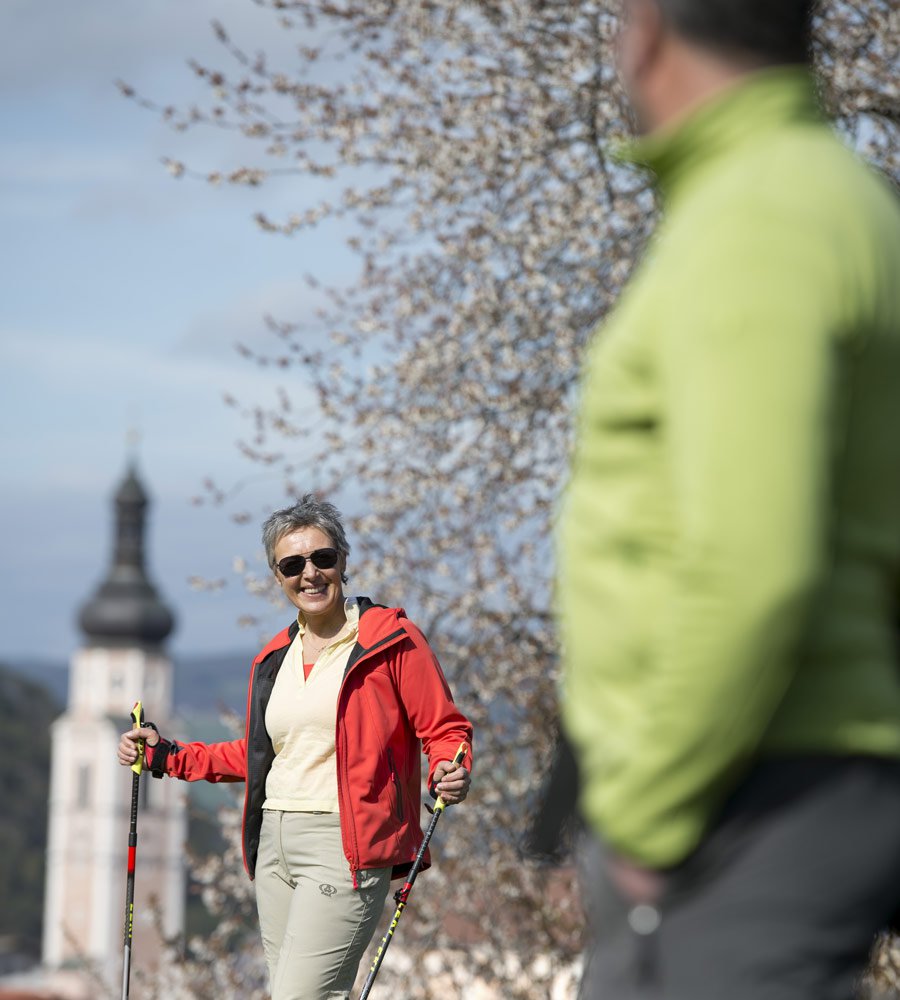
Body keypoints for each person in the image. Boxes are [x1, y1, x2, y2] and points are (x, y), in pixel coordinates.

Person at [557, 1, 900, 997]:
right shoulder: (851, 202)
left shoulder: (752, 219)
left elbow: (756, 564)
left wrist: (650, 820)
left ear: (649, 29)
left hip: (742, 795)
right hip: (809, 778)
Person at [118, 495, 473, 1000]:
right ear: (277, 575)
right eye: (292, 564)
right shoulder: (273, 657)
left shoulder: (391, 639)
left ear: (343, 561)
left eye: (322, 558)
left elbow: (444, 729)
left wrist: (449, 768)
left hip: (345, 846)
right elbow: (264, 753)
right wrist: (168, 757)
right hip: (274, 846)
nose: (310, 573)